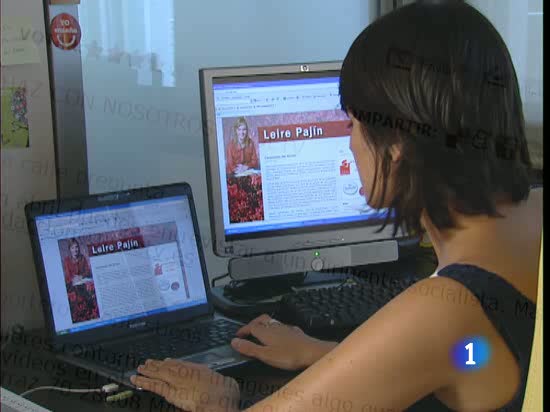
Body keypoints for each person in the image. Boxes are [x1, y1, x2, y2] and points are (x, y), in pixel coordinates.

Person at [130, 1, 541, 411]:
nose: (349, 141)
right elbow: (456, 361)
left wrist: (216, 401)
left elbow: (437, 343)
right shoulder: (532, 213)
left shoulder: (444, 308)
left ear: (397, 144)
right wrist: (323, 354)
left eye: (352, 123)